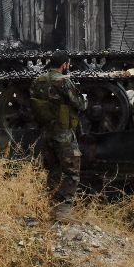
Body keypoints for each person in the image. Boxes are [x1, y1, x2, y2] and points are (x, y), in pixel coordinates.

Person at [30, 51, 86, 223]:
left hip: (46, 133)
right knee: (72, 172)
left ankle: (49, 207)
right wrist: (84, 99)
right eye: (68, 64)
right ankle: (62, 210)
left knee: (53, 170)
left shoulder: (38, 81)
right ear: (64, 65)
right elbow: (79, 104)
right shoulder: (63, 81)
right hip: (63, 134)